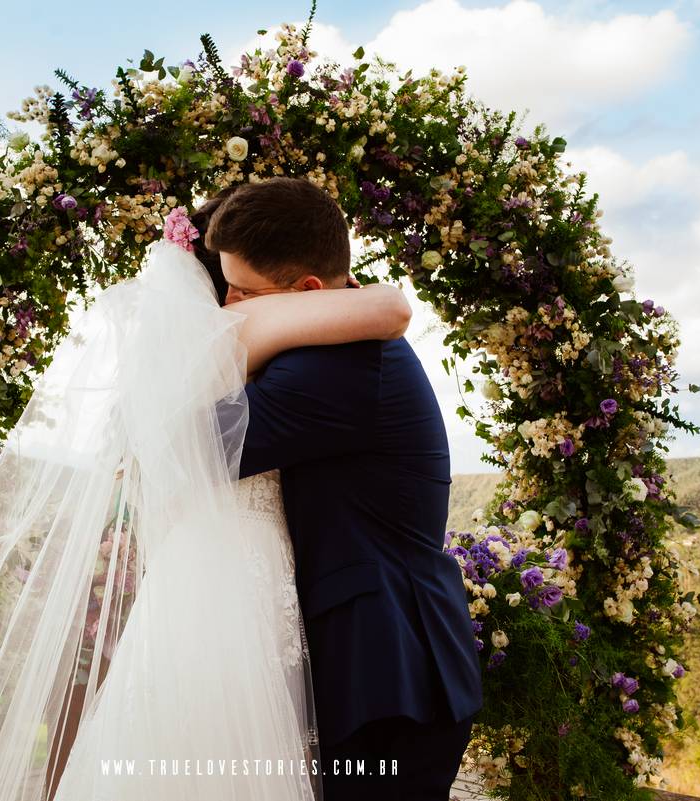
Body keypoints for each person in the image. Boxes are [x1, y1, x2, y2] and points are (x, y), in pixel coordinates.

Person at [0, 184, 412, 801]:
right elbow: (389, 310)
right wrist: (365, 294)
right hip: (229, 579)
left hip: (206, 575)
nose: (233, 301)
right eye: (227, 287)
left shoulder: (203, 351)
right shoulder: (236, 333)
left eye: (244, 291)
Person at [205, 176, 485, 801]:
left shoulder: (337, 366)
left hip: (388, 676)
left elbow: (193, 445)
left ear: (306, 292)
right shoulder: (346, 341)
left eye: (243, 293)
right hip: (386, 667)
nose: (228, 304)